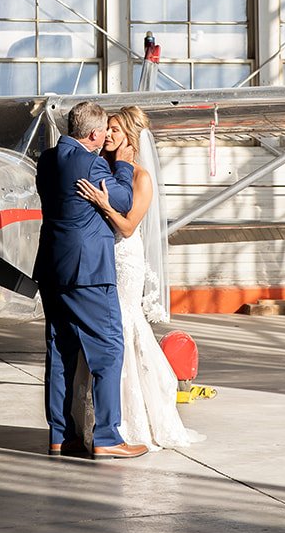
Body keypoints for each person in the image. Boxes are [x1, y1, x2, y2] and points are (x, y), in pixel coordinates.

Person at [75, 106, 203, 451]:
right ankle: (98, 422)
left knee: (125, 327)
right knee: (104, 331)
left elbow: (129, 226)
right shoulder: (105, 167)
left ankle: (133, 423)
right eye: (107, 129)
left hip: (126, 259)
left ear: (130, 135)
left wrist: (104, 204)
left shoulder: (141, 178)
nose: (109, 134)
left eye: (115, 129)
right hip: (103, 258)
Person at [33, 99, 149, 460]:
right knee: (109, 348)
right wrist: (125, 166)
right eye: (105, 132)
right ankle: (107, 436)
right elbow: (125, 199)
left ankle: (60, 435)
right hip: (88, 272)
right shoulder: (92, 163)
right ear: (96, 134)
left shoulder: (46, 160)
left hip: (52, 269)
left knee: (60, 351)